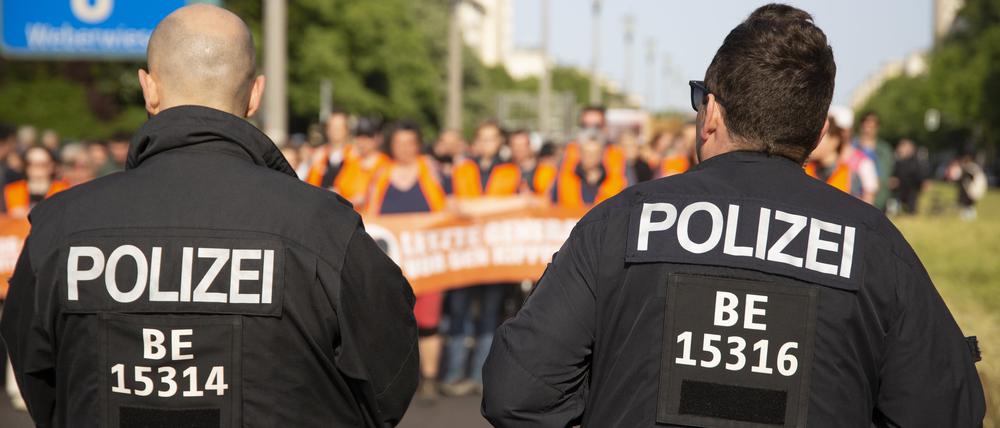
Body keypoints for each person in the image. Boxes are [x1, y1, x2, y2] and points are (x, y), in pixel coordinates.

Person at [481, 5, 985, 427]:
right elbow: (949, 408)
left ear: (712, 114)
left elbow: (517, 392)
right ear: (817, 133)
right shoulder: (872, 246)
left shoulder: (620, 224)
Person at [0, 5, 418, 427]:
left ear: (149, 88)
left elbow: (39, 378)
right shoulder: (322, 227)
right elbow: (389, 375)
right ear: (255, 94)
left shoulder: (60, 227)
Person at [367, 121, 447, 406]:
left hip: (427, 262)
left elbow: (447, 208)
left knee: (428, 323)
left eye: (410, 143)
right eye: (399, 143)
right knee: (389, 322)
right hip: (391, 264)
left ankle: (429, 380)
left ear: (418, 145)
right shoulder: (381, 173)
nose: (405, 148)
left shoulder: (430, 170)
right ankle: (392, 381)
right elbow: (370, 213)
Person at [440, 122, 519, 397]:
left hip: (494, 254)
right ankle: (454, 373)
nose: (487, 143)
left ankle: (480, 376)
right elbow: (449, 203)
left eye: (492, 138)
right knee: (458, 312)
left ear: (500, 142)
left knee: (489, 314)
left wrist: (473, 208)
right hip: (463, 252)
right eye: (482, 138)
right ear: (475, 141)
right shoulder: (461, 169)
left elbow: (516, 206)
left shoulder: (511, 172)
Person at [550, 134, 626, 209]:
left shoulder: (614, 178)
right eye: (586, 152)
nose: (590, 157)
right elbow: (552, 204)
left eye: (595, 153)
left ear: (602, 154)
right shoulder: (565, 178)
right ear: (580, 153)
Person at [335, 117, 390, 208]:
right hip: (344, 211)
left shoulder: (385, 164)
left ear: (377, 138)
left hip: (368, 214)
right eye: (358, 136)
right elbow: (338, 188)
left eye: (367, 136)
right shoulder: (350, 161)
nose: (362, 141)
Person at [2, 146, 69, 218]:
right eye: (31, 163)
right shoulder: (12, 189)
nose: (36, 168)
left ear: (51, 166)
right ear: (25, 166)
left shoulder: (63, 190)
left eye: (42, 164)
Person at [305, 108, 356, 189]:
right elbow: (310, 184)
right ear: (327, 130)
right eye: (332, 127)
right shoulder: (319, 156)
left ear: (346, 130)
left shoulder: (355, 156)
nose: (335, 131)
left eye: (339, 127)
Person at [854, 111, 894, 211]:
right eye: (866, 126)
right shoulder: (852, 146)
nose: (868, 130)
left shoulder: (884, 150)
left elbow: (884, 176)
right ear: (861, 126)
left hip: (877, 201)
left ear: (877, 128)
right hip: (853, 197)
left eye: (872, 127)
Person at [804, 118, 852, 193]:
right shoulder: (805, 169)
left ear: (834, 140)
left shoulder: (850, 177)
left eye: (819, 137)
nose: (812, 142)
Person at [509, 130, 556, 196]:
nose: (518, 149)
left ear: (532, 146)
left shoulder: (546, 170)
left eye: (522, 145)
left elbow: (549, 197)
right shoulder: (504, 170)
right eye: (515, 145)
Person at [890, 139, 927, 215]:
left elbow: (919, 175)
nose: (900, 149)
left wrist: (923, 182)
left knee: (911, 208)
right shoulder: (898, 161)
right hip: (900, 189)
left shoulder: (916, 161)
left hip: (911, 189)